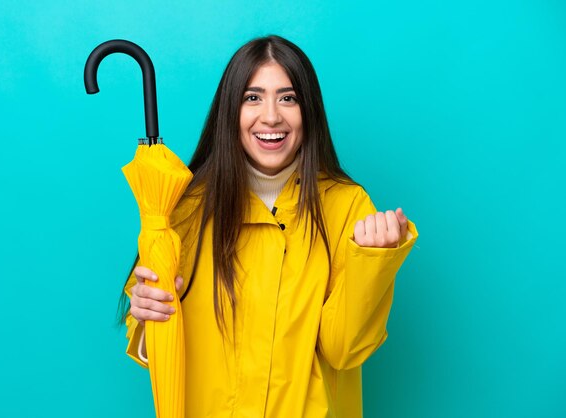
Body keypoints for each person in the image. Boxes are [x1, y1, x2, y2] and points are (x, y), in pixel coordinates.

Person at [122, 35, 418, 418]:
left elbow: (344, 350)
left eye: (288, 98)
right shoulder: (185, 207)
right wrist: (147, 320)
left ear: (308, 110)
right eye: (253, 97)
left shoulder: (346, 205)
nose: (271, 116)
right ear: (230, 110)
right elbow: (152, 344)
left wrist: (372, 260)